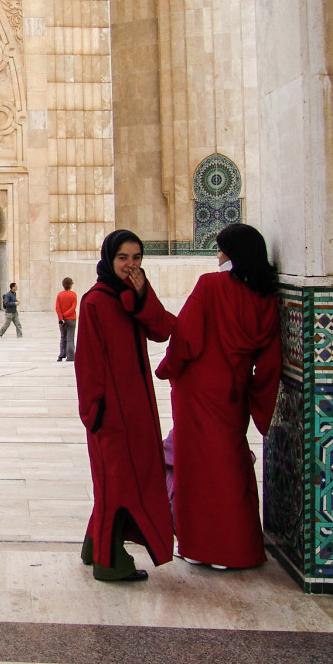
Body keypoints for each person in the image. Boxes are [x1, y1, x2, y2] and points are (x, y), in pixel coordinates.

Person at [155, 223, 282, 571]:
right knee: (232, 464)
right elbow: (270, 360)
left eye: (221, 248)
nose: (218, 254)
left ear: (232, 253)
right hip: (234, 391)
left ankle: (200, 546)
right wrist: (259, 401)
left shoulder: (210, 286)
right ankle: (238, 548)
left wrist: (168, 369)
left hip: (197, 391)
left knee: (197, 469)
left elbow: (185, 338)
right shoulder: (266, 297)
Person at [75, 230, 176, 582]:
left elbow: (164, 330)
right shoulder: (95, 301)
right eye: (123, 258)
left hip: (139, 412)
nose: (130, 265)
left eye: (136, 258)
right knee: (116, 485)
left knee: (120, 482)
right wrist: (93, 412)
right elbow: (86, 362)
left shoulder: (133, 295)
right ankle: (110, 562)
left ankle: (94, 546)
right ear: (108, 259)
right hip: (109, 415)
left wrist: (143, 293)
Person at [55, 277, 77, 361]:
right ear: (70, 285)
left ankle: (62, 355)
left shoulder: (60, 295)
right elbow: (73, 307)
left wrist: (62, 317)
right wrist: (66, 315)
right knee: (70, 339)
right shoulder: (73, 294)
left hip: (62, 320)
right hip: (71, 319)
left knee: (63, 337)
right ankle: (71, 357)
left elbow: (57, 308)